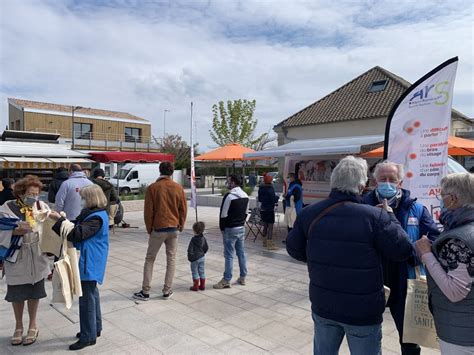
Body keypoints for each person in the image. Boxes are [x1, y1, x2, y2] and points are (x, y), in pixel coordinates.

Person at [286, 156, 414, 355]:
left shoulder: (310, 213)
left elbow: (294, 249)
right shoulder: (376, 217)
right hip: (362, 311)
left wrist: (319, 257)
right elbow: (403, 250)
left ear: (333, 182)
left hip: (324, 304)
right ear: (362, 186)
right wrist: (390, 216)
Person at [363, 160, 439, 355]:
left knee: (410, 340)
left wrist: (415, 252)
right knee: (368, 335)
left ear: (400, 182)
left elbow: (433, 241)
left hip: (405, 282)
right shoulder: (363, 207)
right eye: (382, 179)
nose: (387, 183)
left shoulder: (417, 209)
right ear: (374, 181)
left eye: (392, 179)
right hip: (373, 281)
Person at [415, 172, 474, 354]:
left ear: (453, 199)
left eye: (442, 196)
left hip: (461, 333)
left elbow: (455, 291)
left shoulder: (458, 238)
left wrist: (426, 254)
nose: (440, 201)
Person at [49, 184, 109, 351]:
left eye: (83, 197)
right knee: (92, 295)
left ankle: (88, 336)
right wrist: (61, 220)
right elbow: (76, 226)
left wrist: (59, 220)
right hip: (91, 259)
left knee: (86, 299)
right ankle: (94, 329)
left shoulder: (95, 217)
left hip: (89, 261)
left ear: (90, 199)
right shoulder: (95, 214)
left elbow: (77, 233)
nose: (81, 200)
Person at [0, 175, 50, 346]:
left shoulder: (41, 206)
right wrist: (14, 232)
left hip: (36, 256)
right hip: (16, 257)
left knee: (35, 292)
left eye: (36, 194)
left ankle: (33, 325)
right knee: (17, 294)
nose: (34, 197)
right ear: (20, 194)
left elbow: (47, 228)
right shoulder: (6, 208)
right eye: (30, 194)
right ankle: (18, 326)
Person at [133, 162, 187, 301]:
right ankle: (167, 290)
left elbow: (148, 211)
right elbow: (183, 209)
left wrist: (149, 228)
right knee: (171, 260)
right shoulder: (178, 187)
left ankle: (145, 291)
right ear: (172, 172)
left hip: (158, 228)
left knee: (150, 259)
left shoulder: (153, 188)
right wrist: (181, 225)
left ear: (159, 171)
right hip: (174, 228)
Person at [213, 175, 249, 289]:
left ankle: (226, 279)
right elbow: (246, 213)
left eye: (228, 181)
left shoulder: (229, 196)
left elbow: (223, 215)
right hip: (241, 228)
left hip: (230, 229)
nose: (227, 184)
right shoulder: (246, 195)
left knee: (229, 255)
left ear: (233, 183)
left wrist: (222, 229)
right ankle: (243, 276)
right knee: (241, 253)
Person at [258, 173, 280, 250]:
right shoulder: (270, 189)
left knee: (265, 226)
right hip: (269, 210)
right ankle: (269, 244)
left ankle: (264, 242)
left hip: (263, 209)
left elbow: (260, 199)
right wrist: (277, 197)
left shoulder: (261, 188)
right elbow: (273, 200)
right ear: (270, 181)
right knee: (270, 226)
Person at [187, 221, 208, 291]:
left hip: (194, 259)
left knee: (195, 272)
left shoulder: (193, 240)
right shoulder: (203, 238)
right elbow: (206, 247)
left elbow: (190, 249)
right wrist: (203, 253)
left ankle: (195, 286)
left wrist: (190, 258)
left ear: (194, 231)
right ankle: (202, 285)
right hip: (202, 257)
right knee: (202, 271)